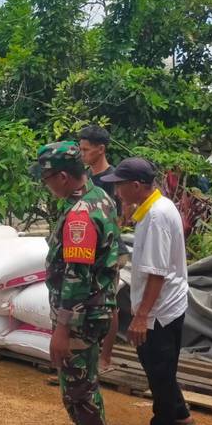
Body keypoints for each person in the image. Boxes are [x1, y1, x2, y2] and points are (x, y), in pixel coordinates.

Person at [30, 141, 120, 425]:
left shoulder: (81, 214)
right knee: (83, 379)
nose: (46, 184)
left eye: (47, 178)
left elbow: (76, 278)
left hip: (81, 316)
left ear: (64, 177)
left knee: (80, 387)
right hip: (95, 310)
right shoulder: (100, 198)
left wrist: (62, 329)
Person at [101, 157, 194, 425]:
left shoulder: (155, 217)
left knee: (158, 371)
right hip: (170, 303)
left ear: (137, 186)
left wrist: (141, 317)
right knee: (164, 366)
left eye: (120, 186)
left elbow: (157, 273)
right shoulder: (157, 207)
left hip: (159, 310)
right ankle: (180, 414)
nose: (117, 192)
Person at [78, 125, 129, 371]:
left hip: (108, 249)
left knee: (109, 303)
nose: (82, 153)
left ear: (101, 149)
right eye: (81, 148)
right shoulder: (84, 178)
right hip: (85, 248)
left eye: (86, 149)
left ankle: (105, 358)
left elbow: (120, 218)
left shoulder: (114, 180)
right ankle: (86, 353)